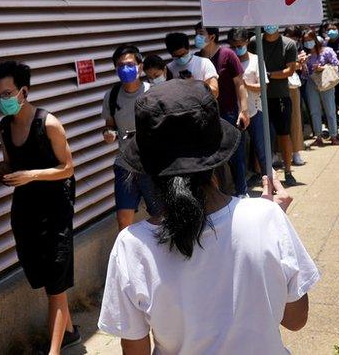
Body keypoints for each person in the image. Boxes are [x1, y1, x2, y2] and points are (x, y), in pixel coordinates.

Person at [97, 81, 319, 354]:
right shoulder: (267, 218)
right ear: (220, 155)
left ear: (145, 168)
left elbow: (135, 349)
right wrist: (273, 224)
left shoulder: (131, 246)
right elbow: (296, 319)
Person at [0, 61, 78, 355]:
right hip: (25, 210)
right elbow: (11, 163)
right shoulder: (3, 127)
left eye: (6, 93)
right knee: (44, 275)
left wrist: (32, 175)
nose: (1, 100)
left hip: (56, 208)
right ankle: (69, 331)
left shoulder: (48, 123)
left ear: (23, 91)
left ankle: (55, 350)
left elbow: (67, 168)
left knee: (56, 287)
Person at [100, 45, 161, 231]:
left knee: (160, 216)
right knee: (123, 221)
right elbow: (109, 125)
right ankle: (127, 258)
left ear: (140, 66)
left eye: (129, 64)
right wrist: (108, 133)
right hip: (125, 163)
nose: (125, 69)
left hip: (152, 164)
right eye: (120, 65)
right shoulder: (111, 96)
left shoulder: (154, 92)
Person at [195, 22, 250, 196]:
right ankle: (220, 195)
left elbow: (239, 84)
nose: (197, 37)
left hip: (228, 112)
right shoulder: (197, 59)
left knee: (236, 155)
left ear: (212, 36)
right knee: (212, 159)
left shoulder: (227, 54)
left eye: (200, 33)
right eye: (196, 33)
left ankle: (241, 191)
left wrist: (244, 110)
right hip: (206, 116)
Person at [251, 25, 299, 186]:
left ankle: (288, 171)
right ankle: (259, 173)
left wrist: (268, 75)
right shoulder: (253, 42)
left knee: (284, 134)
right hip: (257, 96)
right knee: (259, 135)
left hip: (280, 95)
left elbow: (289, 71)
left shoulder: (289, 44)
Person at [228, 28, 269, 187]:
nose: (237, 48)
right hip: (235, 113)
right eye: (234, 46)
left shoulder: (256, 60)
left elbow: (263, 86)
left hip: (255, 110)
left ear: (246, 42)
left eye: (240, 45)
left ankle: (268, 181)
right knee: (239, 151)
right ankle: (242, 184)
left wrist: (245, 84)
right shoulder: (230, 61)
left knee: (262, 149)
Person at [300, 30, 339, 147]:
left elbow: (337, 65)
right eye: (306, 41)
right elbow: (304, 75)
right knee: (314, 111)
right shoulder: (305, 54)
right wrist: (303, 64)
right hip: (311, 83)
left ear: (315, 39)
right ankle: (318, 136)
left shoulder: (327, 51)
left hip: (326, 82)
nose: (308, 43)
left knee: (330, 109)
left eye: (310, 40)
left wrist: (322, 68)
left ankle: (334, 136)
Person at [164, 32, 218, 96]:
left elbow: (215, 92)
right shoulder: (169, 68)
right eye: (176, 56)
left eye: (183, 54)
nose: (180, 58)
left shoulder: (204, 63)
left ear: (188, 48)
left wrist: (194, 85)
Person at [283, 27, 306, 168]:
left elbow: (296, 66)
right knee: (280, 121)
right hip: (278, 85)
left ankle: (296, 151)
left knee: (295, 119)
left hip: (292, 85)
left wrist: (299, 63)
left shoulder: (295, 47)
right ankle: (281, 152)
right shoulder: (279, 45)